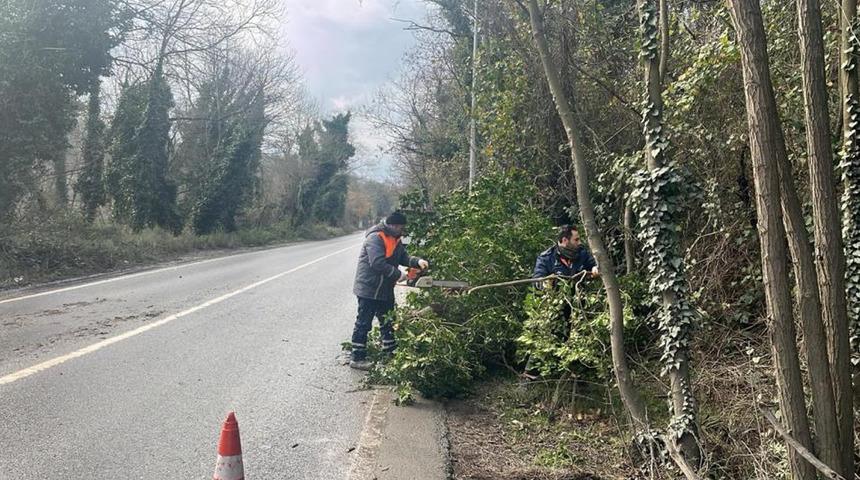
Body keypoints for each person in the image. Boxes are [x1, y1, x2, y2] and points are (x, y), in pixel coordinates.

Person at [350, 211, 429, 370]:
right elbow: (377, 263)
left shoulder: (395, 239)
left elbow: (403, 257)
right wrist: (398, 274)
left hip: (384, 288)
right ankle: (357, 357)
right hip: (369, 288)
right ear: (394, 225)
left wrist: (417, 261)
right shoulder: (376, 237)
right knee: (364, 322)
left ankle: (390, 352)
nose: (403, 230)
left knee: (388, 321)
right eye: (401, 227)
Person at [533, 225, 599, 282]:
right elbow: (537, 281)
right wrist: (547, 282)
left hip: (582, 294)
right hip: (558, 295)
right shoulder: (546, 258)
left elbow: (594, 264)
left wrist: (595, 268)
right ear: (565, 240)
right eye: (576, 240)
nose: (579, 243)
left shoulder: (582, 253)